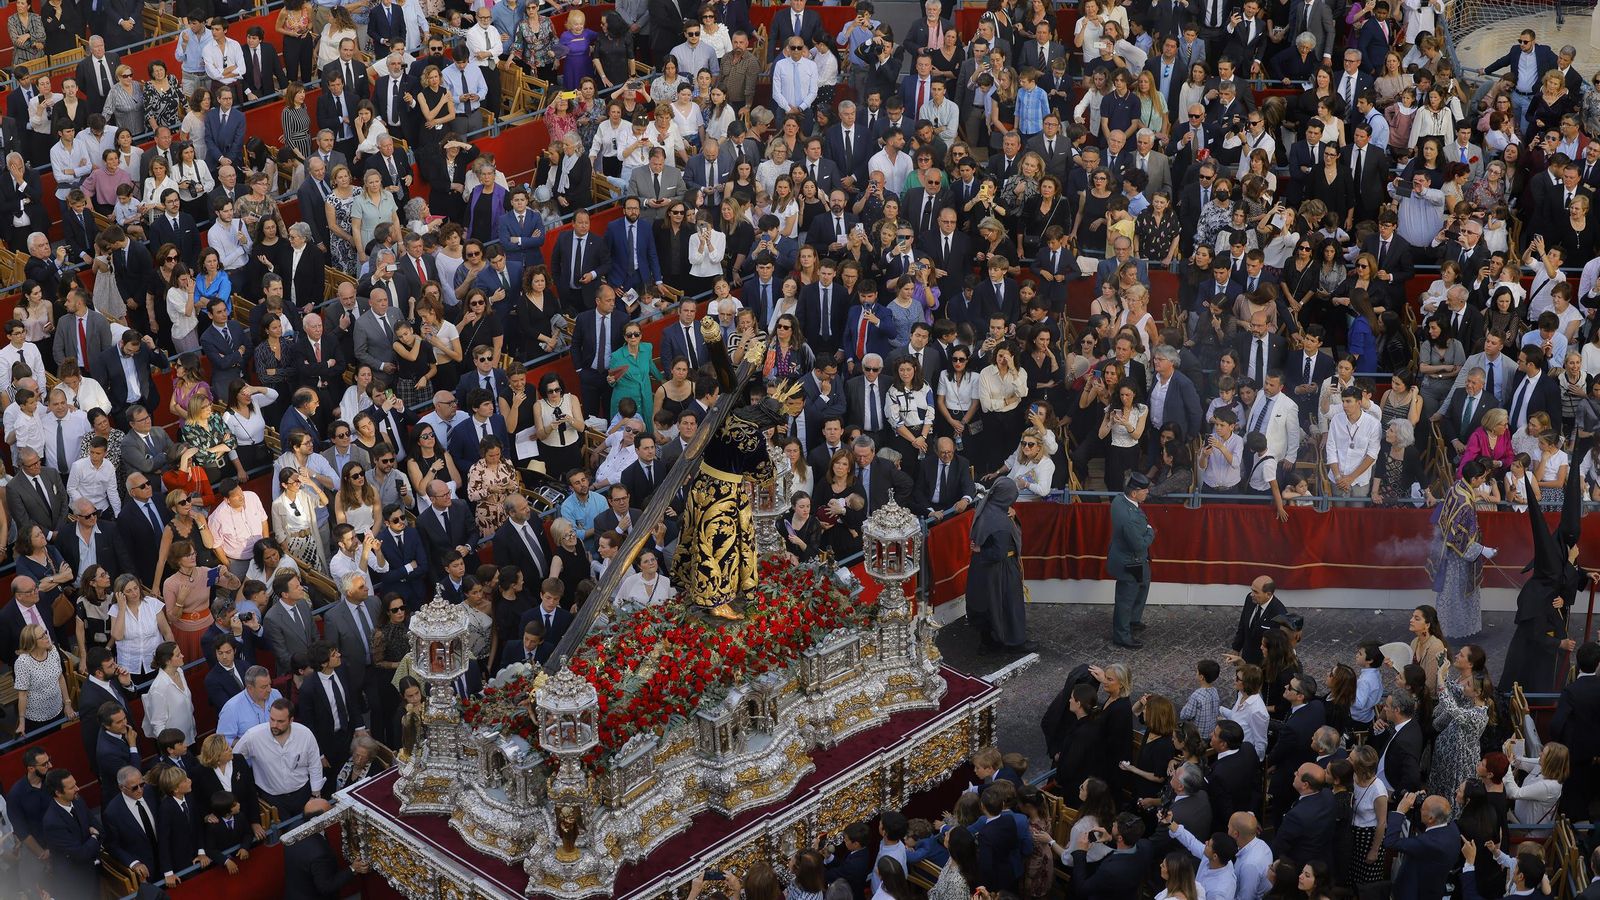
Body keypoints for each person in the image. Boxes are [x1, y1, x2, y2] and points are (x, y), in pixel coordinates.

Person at [1430, 459, 1498, 640]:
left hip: (1446, 551)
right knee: (1458, 595)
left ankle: (1447, 629)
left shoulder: (1457, 487)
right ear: (1474, 478)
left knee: (1450, 593)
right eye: (1482, 478)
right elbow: (1457, 538)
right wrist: (1482, 549)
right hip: (1458, 558)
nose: (1483, 481)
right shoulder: (1465, 504)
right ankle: (1456, 632)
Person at [966, 477, 1028, 652]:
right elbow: (999, 552)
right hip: (1002, 570)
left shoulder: (986, 508)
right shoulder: (999, 520)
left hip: (986, 569)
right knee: (1007, 606)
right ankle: (1013, 642)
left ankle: (989, 642)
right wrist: (981, 551)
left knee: (990, 606)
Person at [1108, 472, 1154, 649]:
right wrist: (1150, 531)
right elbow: (1139, 544)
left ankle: (1133, 621)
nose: (1147, 492)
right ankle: (1122, 635)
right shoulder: (1129, 517)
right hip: (1131, 562)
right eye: (1144, 490)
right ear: (1134, 493)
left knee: (1142, 586)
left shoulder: (1120, 500)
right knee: (1125, 600)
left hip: (1132, 560)